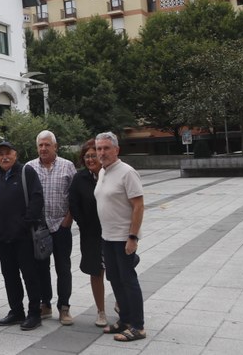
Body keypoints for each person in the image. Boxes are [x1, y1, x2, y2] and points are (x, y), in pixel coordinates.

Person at [94, 132, 146, 342]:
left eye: (106, 148)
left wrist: (133, 236)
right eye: (99, 148)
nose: (102, 152)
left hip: (123, 237)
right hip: (107, 237)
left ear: (116, 150)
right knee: (114, 279)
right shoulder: (102, 172)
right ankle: (124, 320)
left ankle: (138, 326)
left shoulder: (127, 172)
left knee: (128, 280)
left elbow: (138, 205)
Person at [0, 140, 44, 331]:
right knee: (10, 276)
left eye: (8, 153)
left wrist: (25, 223)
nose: (4, 157)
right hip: (2, 237)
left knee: (30, 275)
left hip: (24, 237)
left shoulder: (27, 172)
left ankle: (34, 313)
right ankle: (16, 311)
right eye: (0, 154)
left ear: (15, 154)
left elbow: (37, 199)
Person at [26, 130, 76, 325]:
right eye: (40, 145)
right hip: (40, 228)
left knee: (63, 268)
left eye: (47, 145)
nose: (44, 148)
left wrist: (68, 220)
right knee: (41, 268)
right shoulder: (29, 167)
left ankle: (64, 307)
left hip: (61, 225)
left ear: (55, 146)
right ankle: (45, 304)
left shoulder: (67, 166)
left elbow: (75, 196)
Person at [69, 139, 108, 327]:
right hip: (91, 233)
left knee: (119, 270)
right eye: (87, 156)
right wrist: (83, 224)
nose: (90, 159)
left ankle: (121, 304)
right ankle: (101, 311)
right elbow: (74, 204)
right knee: (96, 271)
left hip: (113, 231)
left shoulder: (111, 174)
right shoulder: (80, 178)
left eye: (93, 155)